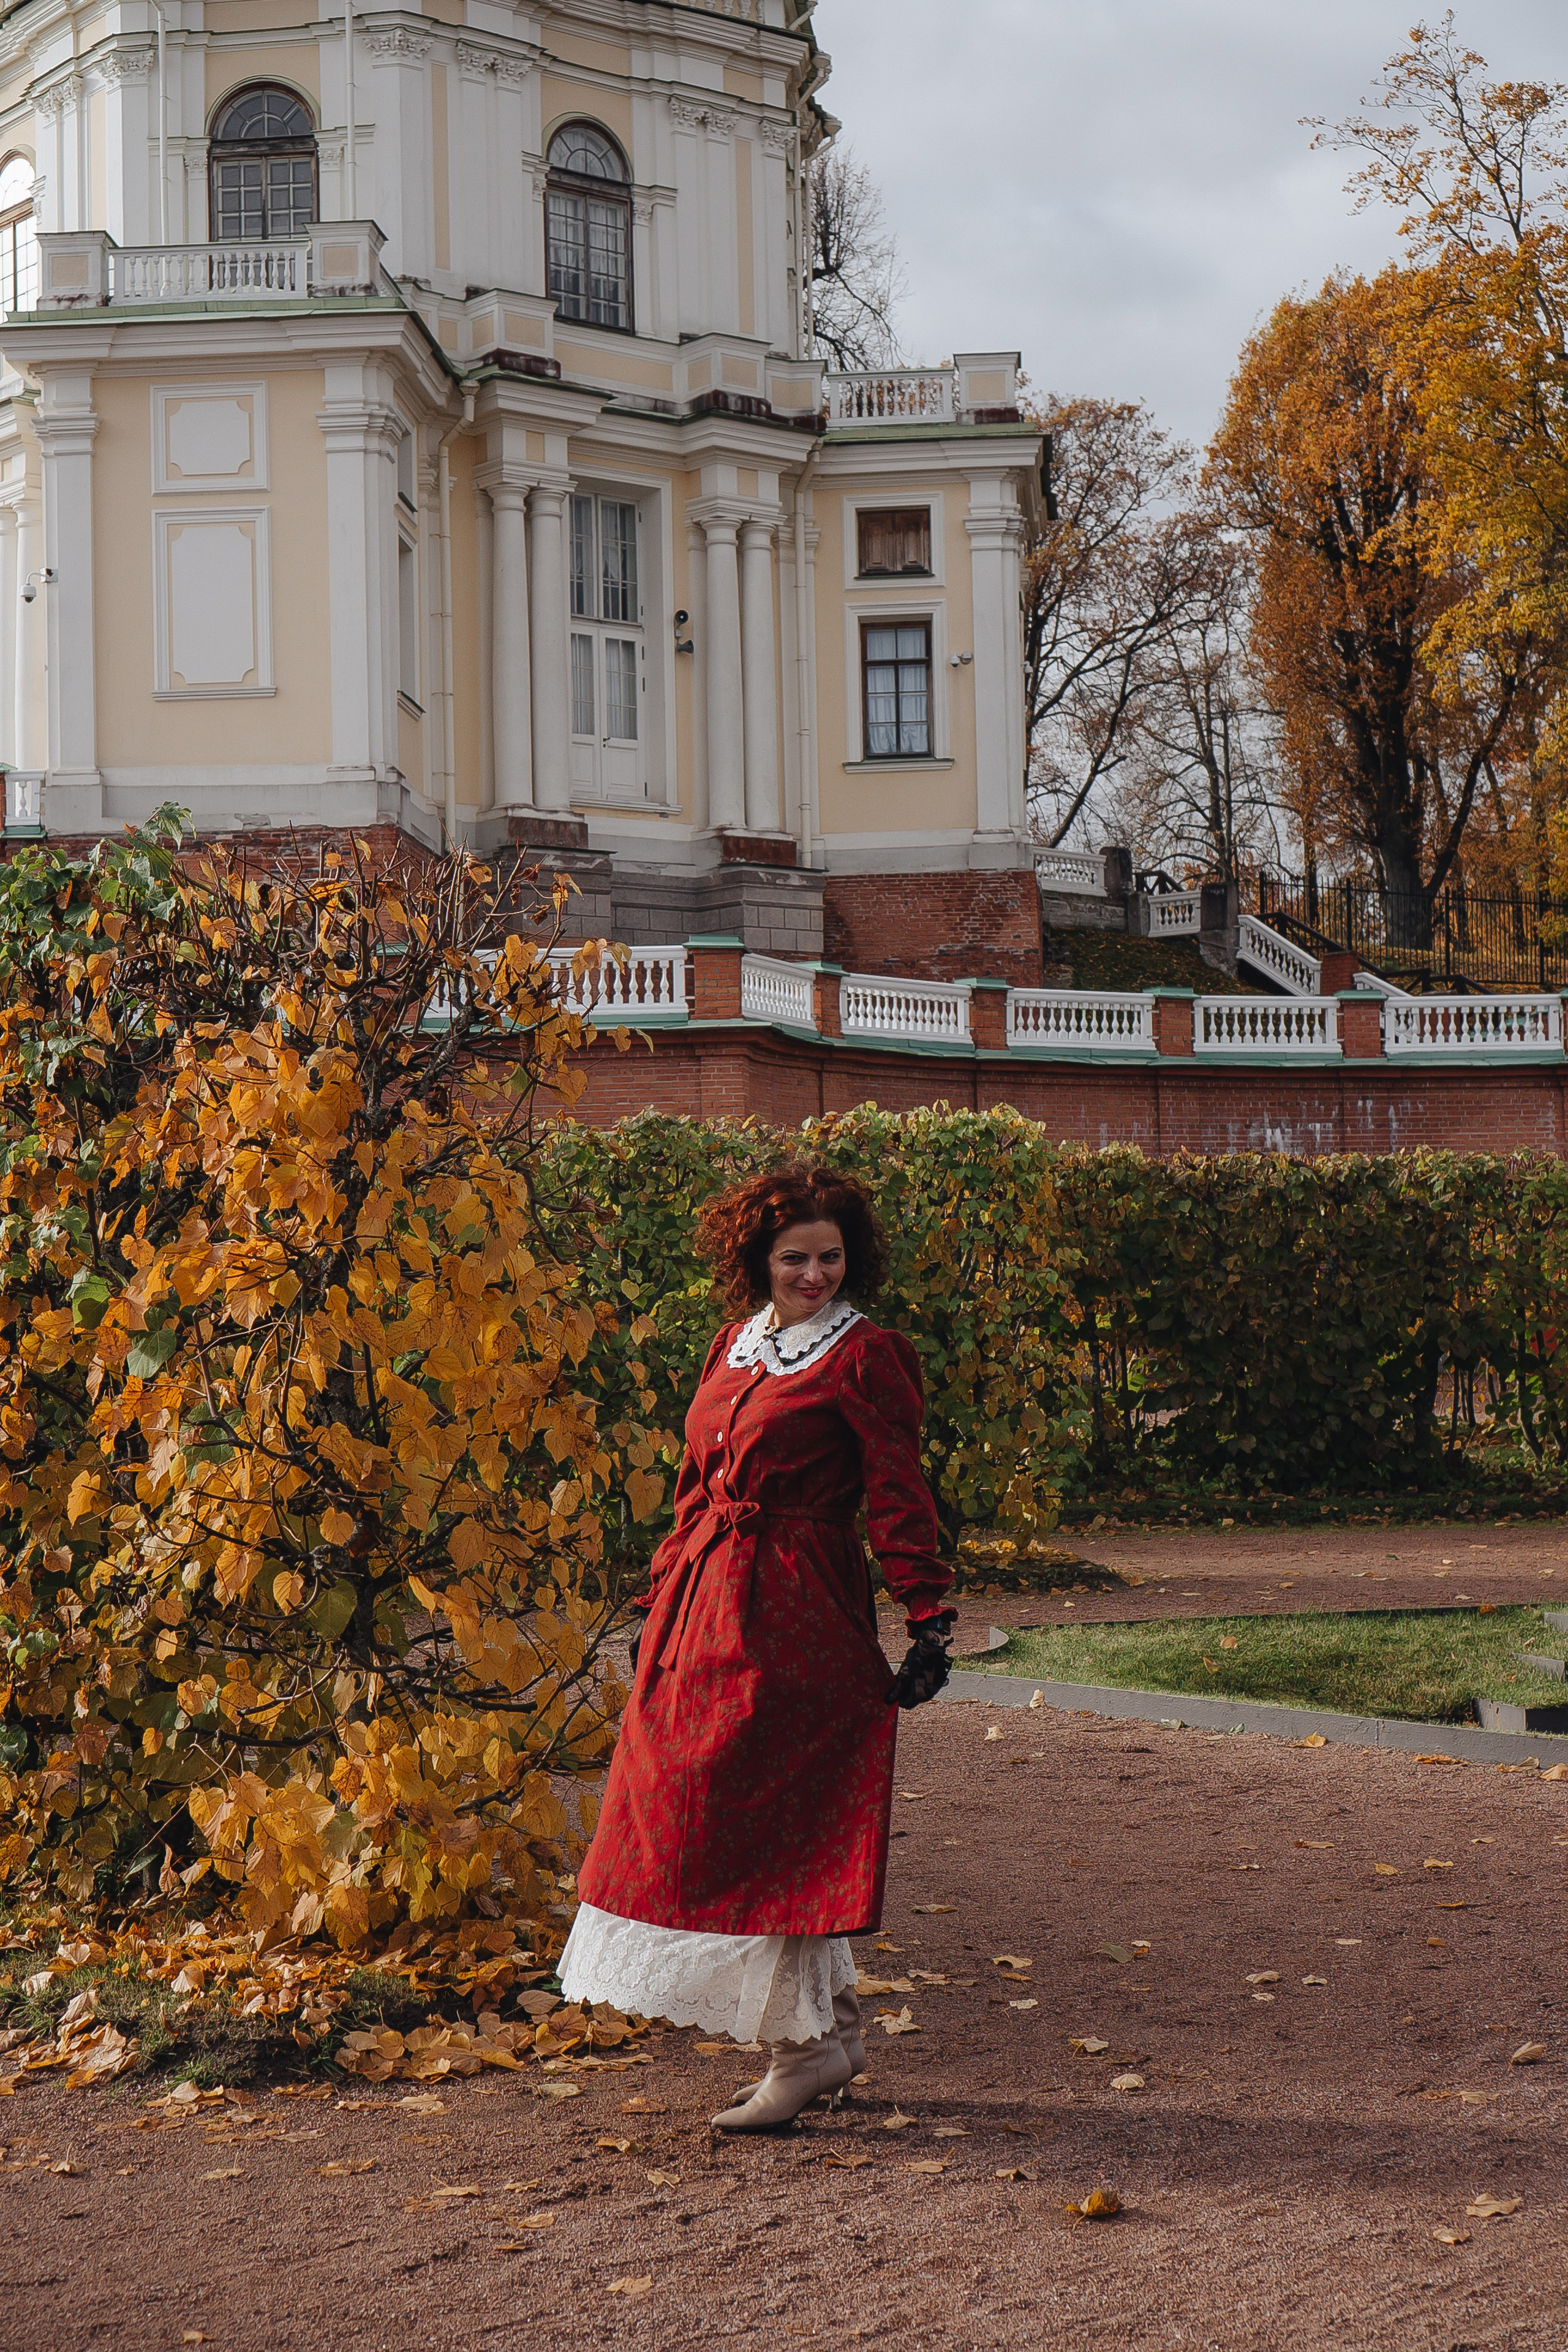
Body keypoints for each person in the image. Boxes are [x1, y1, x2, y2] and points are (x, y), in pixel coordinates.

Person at [559, 1161, 955, 2131]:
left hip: (797, 1609)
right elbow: (698, 1485)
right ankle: (837, 2032)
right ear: (759, 1262)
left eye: (830, 1258)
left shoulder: (866, 1355)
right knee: (681, 1799)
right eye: (795, 1259)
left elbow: (897, 1489)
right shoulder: (733, 1349)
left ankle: (803, 2047)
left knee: (770, 1818)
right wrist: (661, 1594)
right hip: (705, 1601)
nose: (814, 1275)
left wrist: (928, 1613)